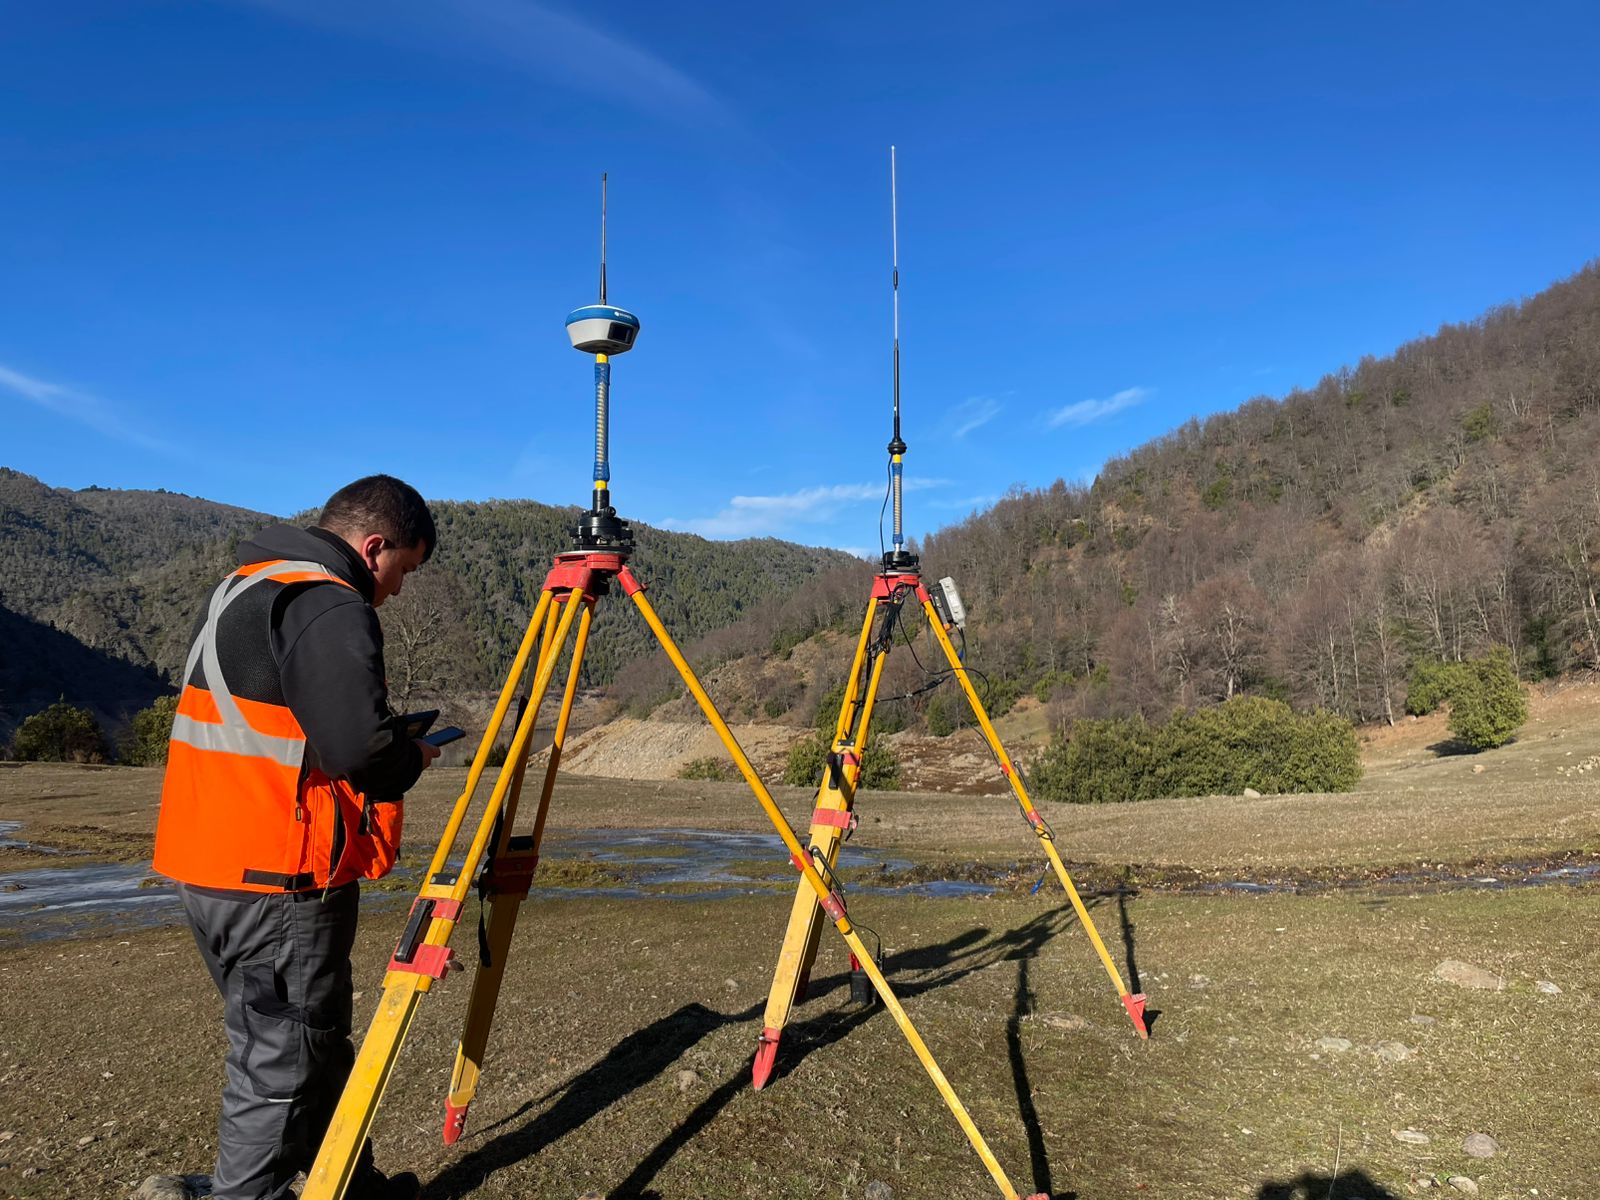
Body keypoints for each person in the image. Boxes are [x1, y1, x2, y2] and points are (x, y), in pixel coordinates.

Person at [149, 475, 442, 1200]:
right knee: (279, 1066)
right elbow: (359, 752)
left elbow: (276, 729)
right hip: (276, 879)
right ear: (373, 547)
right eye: (401, 570)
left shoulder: (245, 585)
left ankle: (348, 1181)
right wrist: (409, 756)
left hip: (211, 864)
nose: (396, 591)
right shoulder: (325, 602)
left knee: (307, 1044)